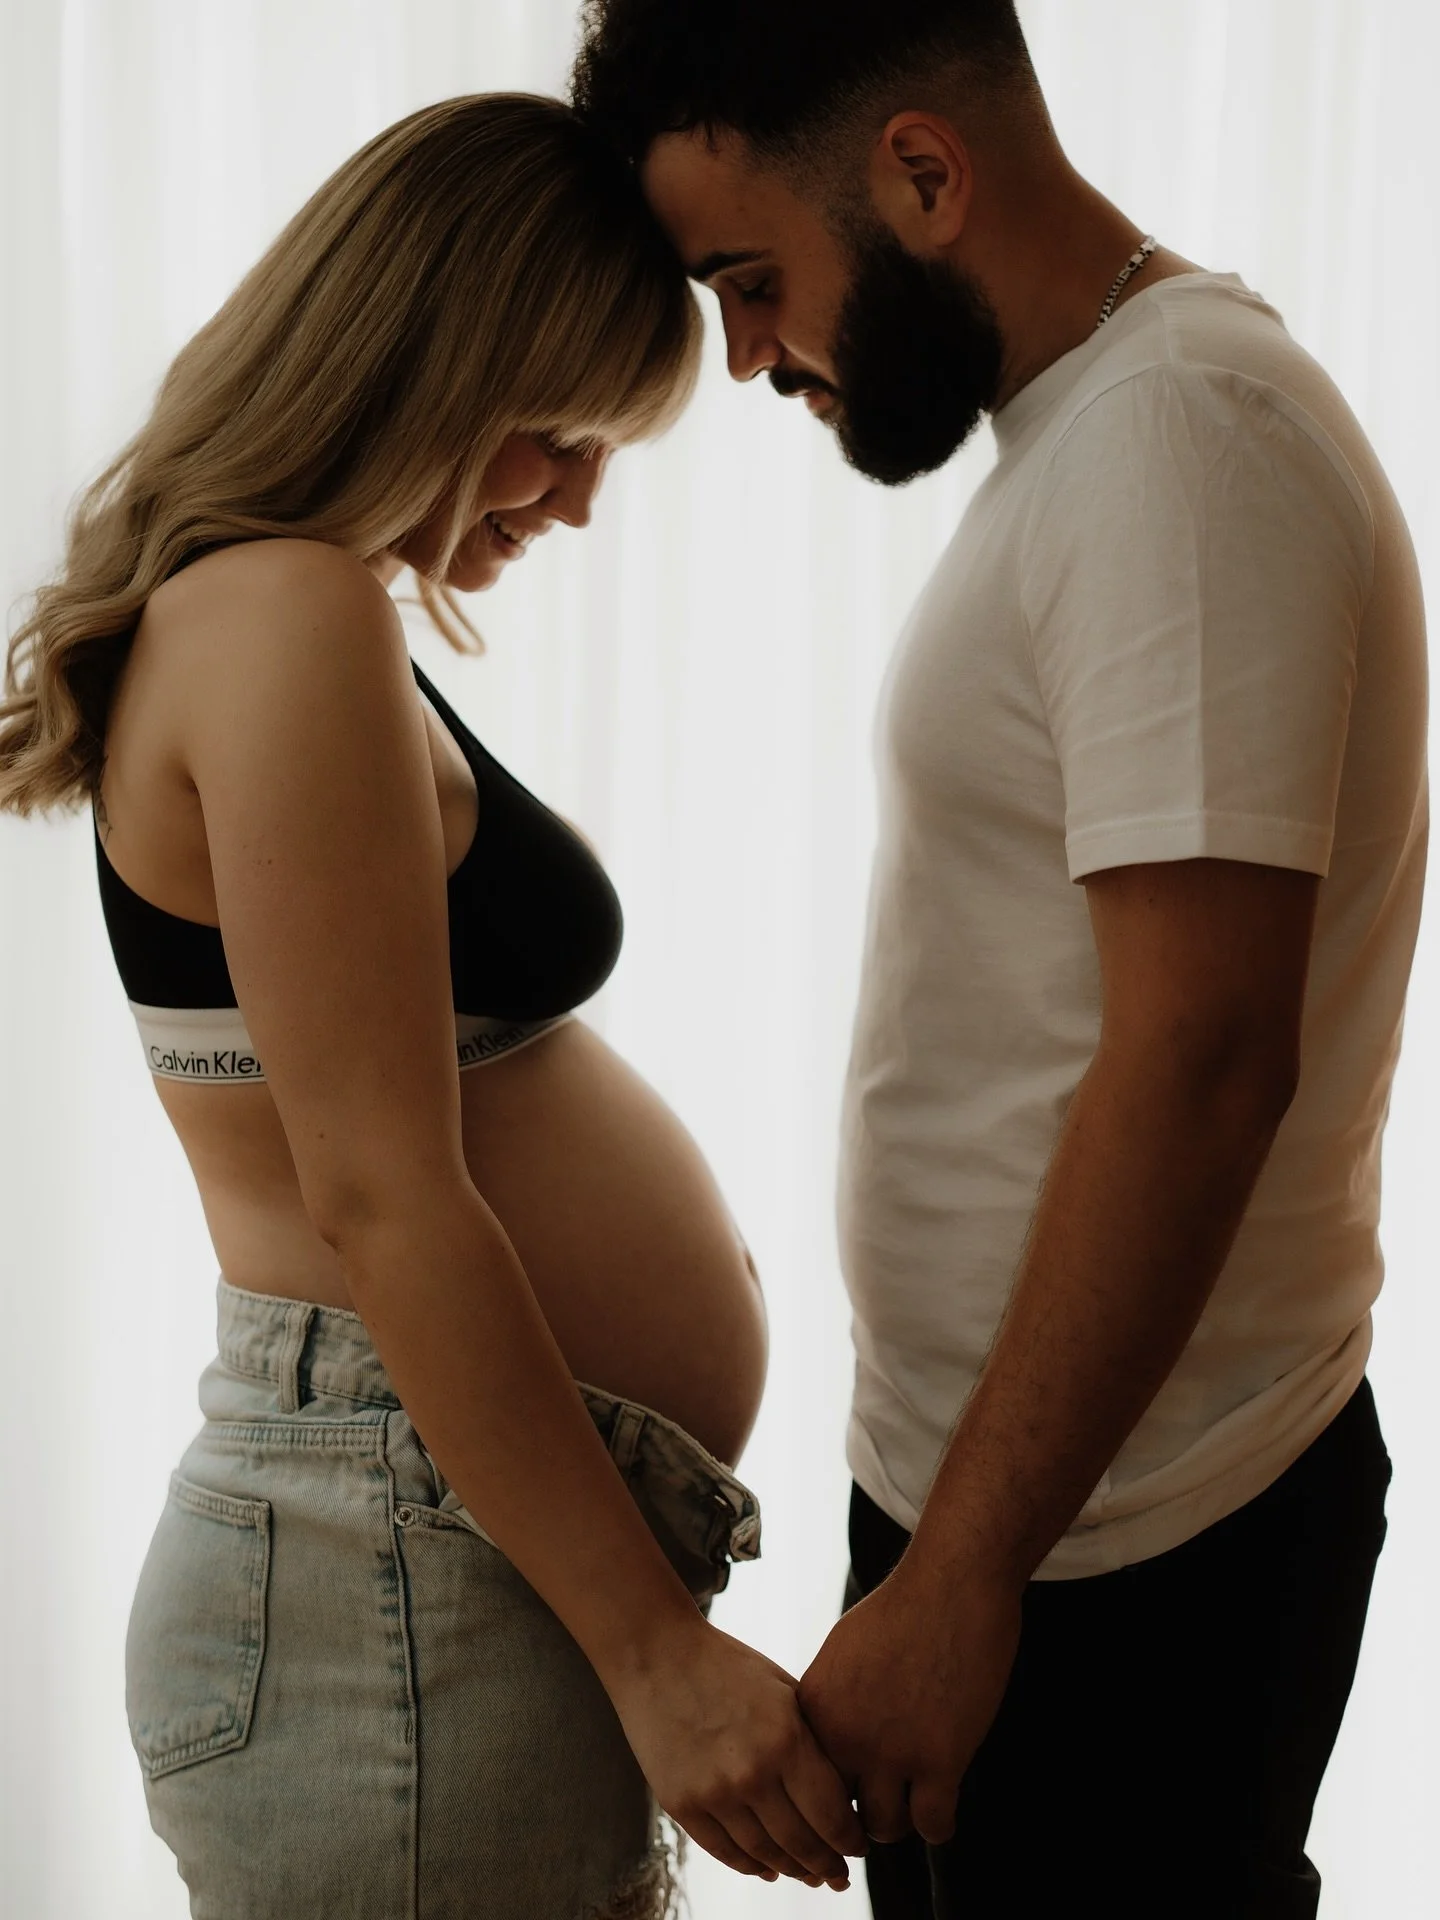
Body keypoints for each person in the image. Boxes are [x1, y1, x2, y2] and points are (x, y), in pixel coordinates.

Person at [570, 4, 1428, 1914]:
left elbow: (1205, 1059)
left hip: (1119, 1551)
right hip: (1038, 1519)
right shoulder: (1098, 433)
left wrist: (961, 1577)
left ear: (924, 175)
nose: (745, 354)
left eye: (750, 281)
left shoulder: (1179, 439)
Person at [0, 93, 867, 1919]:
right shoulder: (282, 616)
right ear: (419, 364)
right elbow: (382, 1191)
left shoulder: (281, 616)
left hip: (416, 1559)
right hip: (389, 1572)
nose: (575, 497)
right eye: (556, 434)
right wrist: (649, 1652)